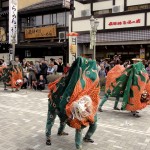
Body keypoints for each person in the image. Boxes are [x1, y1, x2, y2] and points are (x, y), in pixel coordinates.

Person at [46, 57, 100, 150]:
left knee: (93, 122)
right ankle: (48, 136)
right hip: (57, 101)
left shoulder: (88, 81)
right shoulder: (68, 80)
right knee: (53, 117)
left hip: (84, 104)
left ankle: (87, 137)